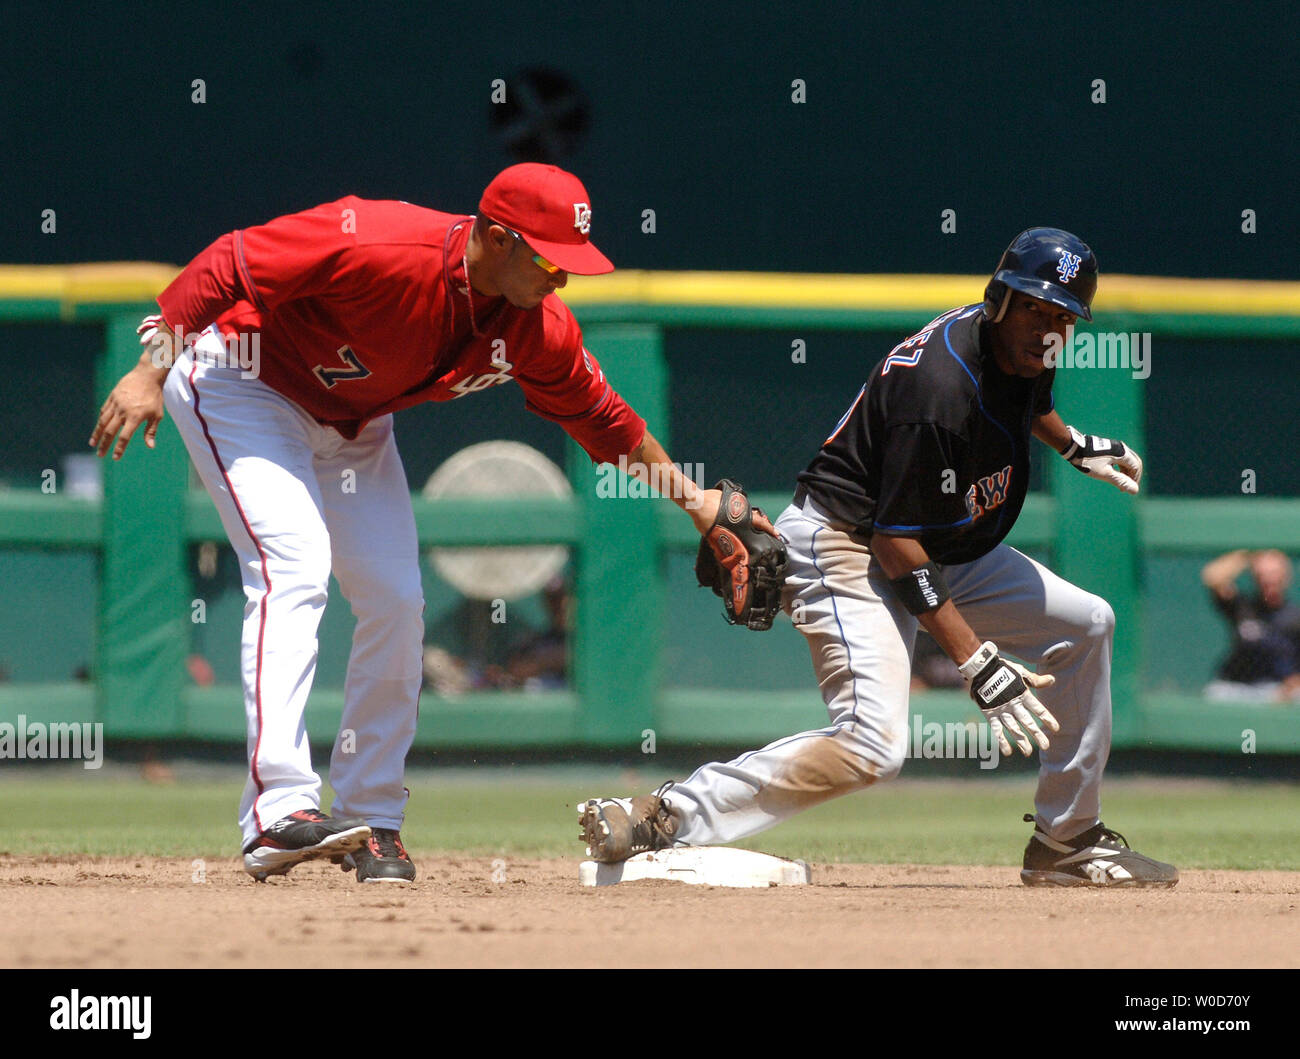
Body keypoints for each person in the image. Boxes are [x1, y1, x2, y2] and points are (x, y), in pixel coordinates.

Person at [90, 164, 723, 883]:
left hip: (354, 427)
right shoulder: (378, 242)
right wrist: (151, 368)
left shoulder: (536, 326)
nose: (563, 279)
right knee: (293, 565)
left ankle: (373, 818)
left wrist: (697, 504)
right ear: (495, 237)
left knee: (396, 599)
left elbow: (605, 422)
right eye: (550, 260)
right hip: (242, 382)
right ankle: (277, 812)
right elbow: (229, 261)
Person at [580, 228, 1180, 888]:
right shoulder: (940, 388)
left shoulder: (1020, 349)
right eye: (1037, 308)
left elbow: (1028, 397)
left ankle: (1067, 839)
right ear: (1000, 298)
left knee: (1087, 621)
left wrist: (1071, 445)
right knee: (875, 745)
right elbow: (896, 544)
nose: (1049, 328)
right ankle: (664, 815)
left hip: (938, 545)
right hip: (849, 545)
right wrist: (976, 659)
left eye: (1064, 316)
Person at [1202, 549, 1300, 701]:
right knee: (1214, 694)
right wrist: (1248, 555)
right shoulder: (1242, 607)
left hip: (1276, 689)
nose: (1268, 579)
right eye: (1262, 574)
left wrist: (1289, 688)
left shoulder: (1295, 617)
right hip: (1237, 687)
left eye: (1274, 573)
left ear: (1286, 577)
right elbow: (1212, 577)